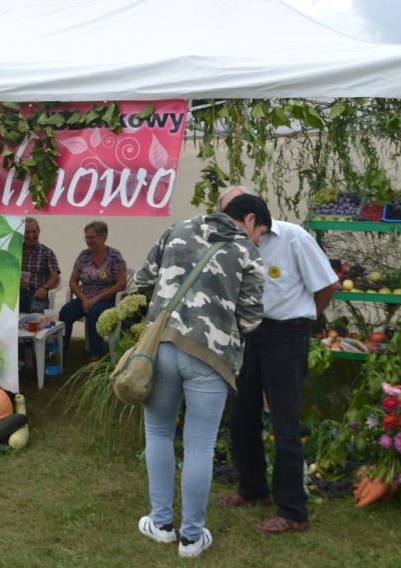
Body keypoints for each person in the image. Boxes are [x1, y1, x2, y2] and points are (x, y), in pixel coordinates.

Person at [134, 194, 270, 558]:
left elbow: (142, 278)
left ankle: (160, 523)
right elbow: (253, 317)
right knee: (199, 446)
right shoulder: (246, 252)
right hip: (211, 357)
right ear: (250, 220)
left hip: (161, 347)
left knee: (159, 432)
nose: (259, 241)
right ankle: (192, 538)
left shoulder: (176, 229)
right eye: (262, 234)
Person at [217, 185, 340, 535]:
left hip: (286, 337)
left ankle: (292, 510)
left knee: (284, 423)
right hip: (249, 335)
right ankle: (252, 489)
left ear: (252, 220)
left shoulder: (294, 238)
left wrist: (303, 319)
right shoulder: (237, 245)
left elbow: (328, 285)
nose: (232, 236)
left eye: (236, 227)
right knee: (241, 416)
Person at [59, 220, 127, 362]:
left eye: (92, 237)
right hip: (86, 298)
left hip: (107, 299)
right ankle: (61, 350)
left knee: (94, 313)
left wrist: (96, 298)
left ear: (103, 237)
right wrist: (84, 299)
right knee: (65, 312)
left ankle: (95, 356)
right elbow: (73, 281)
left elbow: (121, 284)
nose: (88, 241)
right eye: (86, 237)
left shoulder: (114, 256)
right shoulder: (83, 256)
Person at [19, 217, 60, 313]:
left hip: (37, 293)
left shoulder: (47, 252)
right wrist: (14, 282)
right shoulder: (15, 251)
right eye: (27, 232)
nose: (31, 235)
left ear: (39, 231)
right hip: (16, 292)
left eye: (34, 231)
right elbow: (5, 272)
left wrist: (45, 288)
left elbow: (55, 276)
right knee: (6, 315)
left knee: (36, 318)